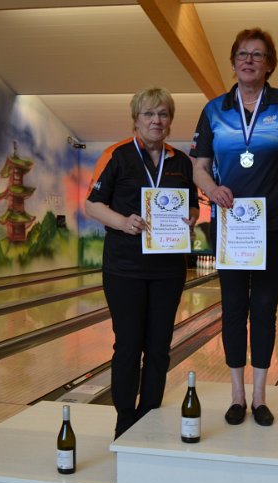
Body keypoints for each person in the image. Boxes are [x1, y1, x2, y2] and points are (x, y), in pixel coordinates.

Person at [191, 27, 278, 427]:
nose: (249, 60)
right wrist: (212, 189)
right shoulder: (214, 109)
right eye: (242, 54)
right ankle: (236, 395)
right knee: (233, 308)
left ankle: (260, 396)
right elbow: (199, 166)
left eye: (258, 55)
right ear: (233, 63)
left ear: (269, 64)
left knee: (264, 308)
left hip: (274, 223)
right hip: (231, 225)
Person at [85, 87, 199, 438]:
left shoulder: (180, 161)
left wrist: (191, 216)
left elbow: (193, 203)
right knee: (129, 343)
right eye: (149, 114)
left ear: (170, 121)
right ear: (136, 119)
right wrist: (123, 222)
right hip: (125, 267)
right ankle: (124, 415)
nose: (156, 120)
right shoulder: (116, 155)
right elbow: (92, 204)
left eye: (163, 114)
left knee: (159, 345)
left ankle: (150, 411)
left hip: (168, 269)